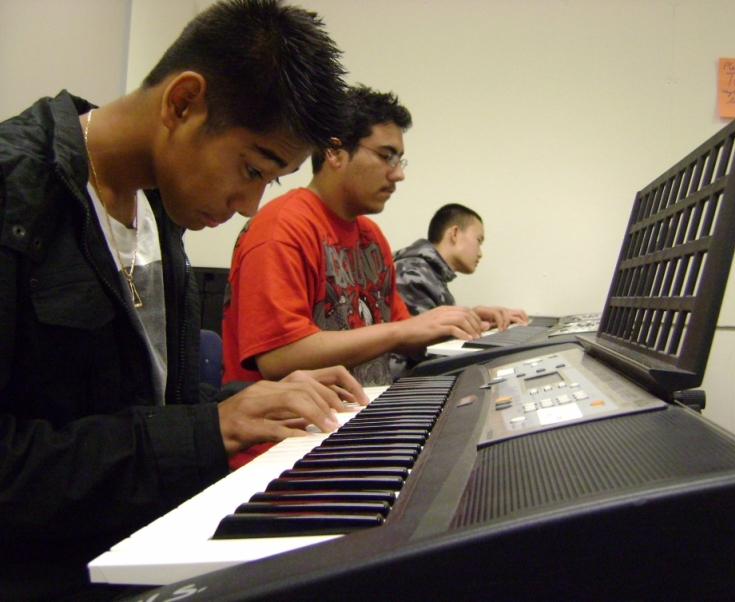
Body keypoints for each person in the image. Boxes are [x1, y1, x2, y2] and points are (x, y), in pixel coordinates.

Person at [0, 1, 368, 600]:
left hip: (140, 551)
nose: (250, 205)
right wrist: (205, 430)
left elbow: (140, 407)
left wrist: (250, 403)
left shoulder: (160, 206)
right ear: (182, 102)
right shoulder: (15, 192)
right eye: (251, 167)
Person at [222, 85, 485, 393]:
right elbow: (278, 357)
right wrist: (402, 332)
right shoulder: (281, 228)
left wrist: (468, 320)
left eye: (400, 160)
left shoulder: (371, 237)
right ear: (334, 151)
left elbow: (403, 329)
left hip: (357, 420)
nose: (398, 174)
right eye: (387, 157)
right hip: (293, 435)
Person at [394, 203, 529, 330]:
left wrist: (475, 319)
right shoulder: (411, 272)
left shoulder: (427, 273)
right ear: (455, 234)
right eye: (478, 240)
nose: (480, 253)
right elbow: (421, 347)